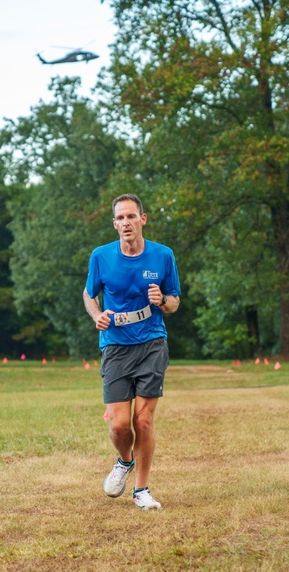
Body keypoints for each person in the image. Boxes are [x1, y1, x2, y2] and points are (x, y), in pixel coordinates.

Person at [83, 194, 180, 510]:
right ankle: (124, 460)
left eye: (130, 216)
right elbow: (88, 294)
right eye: (120, 218)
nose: (126, 223)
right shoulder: (101, 256)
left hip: (152, 341)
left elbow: (175, 302)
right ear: (114, 224)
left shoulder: (163, 256)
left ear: (143, 219)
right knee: (120, 424)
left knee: (144, 420)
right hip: (115, 345)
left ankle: (142, 490)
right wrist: (97, 314)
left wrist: (162, 300)